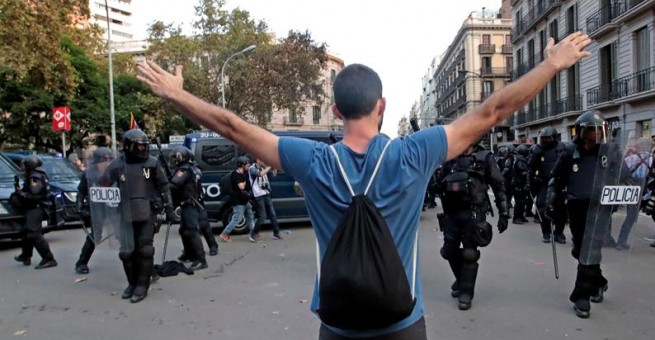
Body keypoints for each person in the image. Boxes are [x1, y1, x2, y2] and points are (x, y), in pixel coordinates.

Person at [137, 31, 591, 338]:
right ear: (382, 106)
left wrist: (176, 93)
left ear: (335, 112)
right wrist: (552, 64)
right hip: (402, 320)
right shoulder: (414, 153)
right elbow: (492, 111)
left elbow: (232, 126)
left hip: (337, 323)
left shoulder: (311, 158)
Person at [546, 111, 617, 319]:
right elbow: (556, 180)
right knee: (579, 250)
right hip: (576, 209)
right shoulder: (569, 152)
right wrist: (550, 202)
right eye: (593, 130)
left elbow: (622, 175)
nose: (597, 134)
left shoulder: (610, 152)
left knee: (591, 250)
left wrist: (627, 193)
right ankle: (599, 282)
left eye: (600, 130)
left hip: (600, 208)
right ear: (582, 131)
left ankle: (581, 297)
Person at [104, 129, 178, 303]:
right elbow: (103, 186)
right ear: (129, 146)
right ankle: (132, 283)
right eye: (139, 146)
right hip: (124, 213)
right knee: (126, 252)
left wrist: (169, 209)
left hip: (147, 212)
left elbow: (164, 186)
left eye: (145, 145)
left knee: (145, 250)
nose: (142, 149)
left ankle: (142, 285)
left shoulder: (152, 163)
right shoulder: (116, 165)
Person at [436, 142, 509, 310]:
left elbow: (498, 185)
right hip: (452, 212)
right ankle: (463, 280)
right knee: (448, 250)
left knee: (470, 253)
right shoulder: (451, 157)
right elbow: (439, 182)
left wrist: (504, 212)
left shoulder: (485, 158)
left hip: (474, 212)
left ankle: (466, 293)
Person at [13, 155, 58, 269]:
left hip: (36, 207)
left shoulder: (35, 177)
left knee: (34, 233)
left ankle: (49, 258)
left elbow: (35, 195)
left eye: (25, 165)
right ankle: (26, 255)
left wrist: (21, 194)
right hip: (33, 207)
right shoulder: (35, 175)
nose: (23, 167)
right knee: (26, 231)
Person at [74, 147, 114, 274]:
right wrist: (79, 205)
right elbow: (81, 191)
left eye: (109, 160)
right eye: (104, 160)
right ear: (97, 162)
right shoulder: (88, 174)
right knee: (95, 235)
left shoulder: (115, 171)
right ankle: (81, 263)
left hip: (113, 206)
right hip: (97, 208)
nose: (107, 163)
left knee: (123, 234)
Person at [168, 145, 208, 270]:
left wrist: (163, 184)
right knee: (184, 230)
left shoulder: (184, 170)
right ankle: (189, 254)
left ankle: (201, 260)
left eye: (175, 158)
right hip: (190, 203)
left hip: (190, 204)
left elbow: (174, 184)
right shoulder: (192, 168)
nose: (174, 160)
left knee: (191, 231)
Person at [528, 127, 567, 244]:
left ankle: (559, 233)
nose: (545, 140)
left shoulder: (562, 148)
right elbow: (531, 166)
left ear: (554, 137)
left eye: (548, 138)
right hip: (544, 184)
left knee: (561, 210)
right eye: (543, 138)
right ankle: (546, 233)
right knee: (542, 208)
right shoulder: (538, 150)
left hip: (559, 183)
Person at [616, 140, 652, 250]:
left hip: (632, 189)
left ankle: (621, 241)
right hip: (647, 191)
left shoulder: (631, 158)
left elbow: (621, 170)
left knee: (630, 217)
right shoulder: (653, 159)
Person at [218, 156, 256, 242]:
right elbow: (241, 187)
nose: (248, 165)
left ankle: (253, 233)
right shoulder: (236, 175)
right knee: (237, 218)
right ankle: (224, 233)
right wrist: (245, 179)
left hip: (244, 200)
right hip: (238, 201)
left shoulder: (244, 173)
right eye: (247, 164)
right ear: (242, 165)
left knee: (250, 216)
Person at [248, 158, 282, 240]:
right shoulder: (252, 168)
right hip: (258, 195)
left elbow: (274, 174)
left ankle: (276, 233)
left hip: (266, 193)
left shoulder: (263, 167)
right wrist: (270, 166)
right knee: (262, 216)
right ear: (257, 160)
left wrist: (275, 167)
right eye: (262, 159)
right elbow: (260, 174)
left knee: (272, 214)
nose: (264, 161)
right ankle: (253, 234)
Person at [510, 144, 530, 224]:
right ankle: (516, 218)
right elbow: (522, 171)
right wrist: (528, 174)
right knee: (519, 202)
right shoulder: (520, 160)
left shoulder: (519, 159)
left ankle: (521, 216)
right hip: (518, 184)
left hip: (520, 184)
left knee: (523, 201)